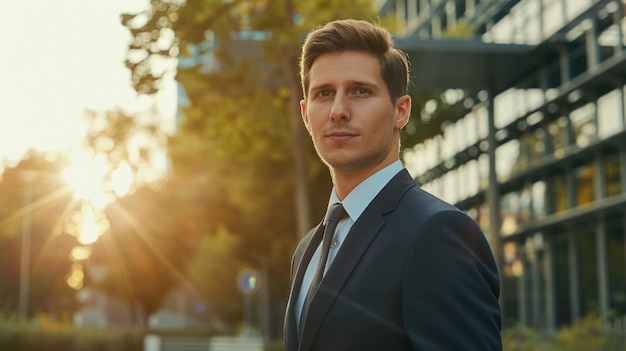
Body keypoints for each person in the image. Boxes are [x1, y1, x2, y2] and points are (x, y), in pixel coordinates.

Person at [283, 19, 502, 351]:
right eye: (324, 93)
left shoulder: (438, 233)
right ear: (305, 114)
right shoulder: (306, 250)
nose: (338, 110)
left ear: (401, 111)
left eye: (360, 91)